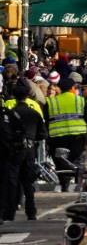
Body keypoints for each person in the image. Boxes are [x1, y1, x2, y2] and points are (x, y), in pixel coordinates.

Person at [2, 81, 44, 221]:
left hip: (15, 149)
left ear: (14, 97)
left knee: (12, 180)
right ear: (27, 96)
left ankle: (10, 212)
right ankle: (31, 212)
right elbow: (43, 133)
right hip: (30, 149)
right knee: (28, 182)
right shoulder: (34, 112)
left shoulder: (12, 114)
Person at [45, 77, 87, 191]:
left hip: (57, 138)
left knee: (61, 164)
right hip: (77, 139)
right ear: (72, 88)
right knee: (76, 163)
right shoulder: (80, 100)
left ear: (59, 88)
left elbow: (46, 120)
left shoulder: (51, 102)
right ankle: (78, 185)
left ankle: (64, 185)